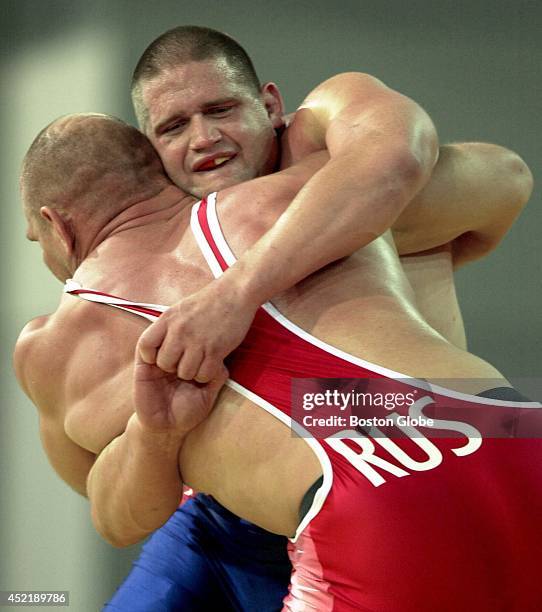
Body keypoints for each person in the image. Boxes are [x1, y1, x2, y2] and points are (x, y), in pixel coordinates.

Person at [15, 113, 540, 611]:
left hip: (364, 501)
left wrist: (157, 435)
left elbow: (117, 519)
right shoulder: (310, 191)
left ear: (55, 227)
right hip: (510, 428)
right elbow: (504, 173)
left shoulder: (56, 342)